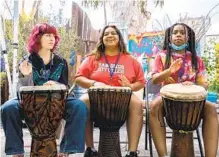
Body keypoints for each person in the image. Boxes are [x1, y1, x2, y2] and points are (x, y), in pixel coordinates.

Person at [0, 23, 88, 157]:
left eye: (54, 36)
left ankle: (66, 149)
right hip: (30, 103)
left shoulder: (61, 62)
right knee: (7, 108)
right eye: (47, 35)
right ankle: (16, 151)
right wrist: (26, 75)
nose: (52, 38)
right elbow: (20, 91)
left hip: (57, 102)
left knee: (79, 106)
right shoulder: (26, 61)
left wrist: (56, 85)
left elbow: (65, 88)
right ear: (38, 38)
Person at [75, 25, 145, 157]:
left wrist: (130, 86)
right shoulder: (92, 58)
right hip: (96, 95)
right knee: (81, 104)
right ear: (102, 39)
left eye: (113, 33)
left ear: (119, 38)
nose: (110, 35)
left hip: (124, 96)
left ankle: (132, 152)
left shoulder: (131, 60)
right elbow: (78, 78)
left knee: (138, 104)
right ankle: (90, 148)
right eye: (106, 34)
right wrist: (94, 83)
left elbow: (141, 82)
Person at [149, 23, 219, 157]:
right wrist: (169, 71)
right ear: (170, 37)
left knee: (210, 109)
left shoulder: (196, 59)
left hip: (193, 101)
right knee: (154, 107)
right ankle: (163, 155)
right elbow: (155, 80)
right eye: (175, 32)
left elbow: (203, 85)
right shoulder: (162, 56)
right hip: (166, 100)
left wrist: (194, 86)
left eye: (182, 32)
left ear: (187, 38)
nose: (178, 35)